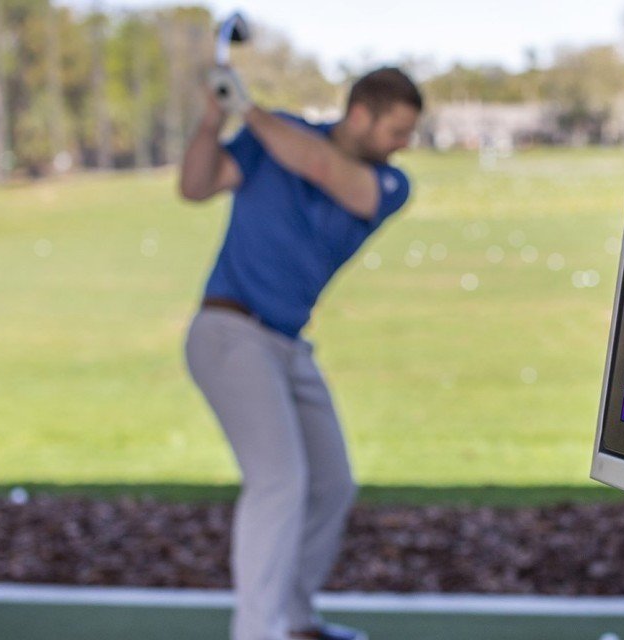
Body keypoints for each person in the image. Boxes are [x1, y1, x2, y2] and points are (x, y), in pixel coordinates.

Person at [177, 65, 422, 640]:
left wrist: (248, 109)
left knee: (332, 483)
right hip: (228, 332)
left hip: (285, 346)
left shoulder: (387, 184)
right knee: (280, 482)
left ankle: (293, 619)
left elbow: (319, 165)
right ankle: (256, 632)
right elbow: (195, 186)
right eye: (398, 130)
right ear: (360, 115)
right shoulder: (273, 135)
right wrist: (214, 118)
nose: (405, 145)